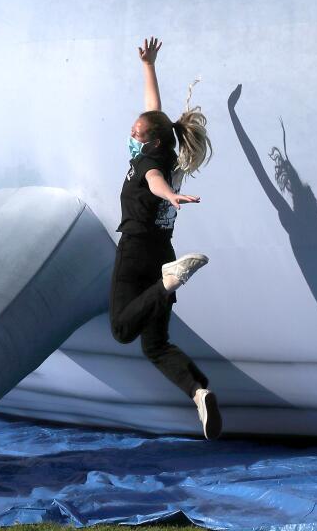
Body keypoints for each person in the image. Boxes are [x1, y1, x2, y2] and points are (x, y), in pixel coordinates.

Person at [109, 35, 221, 440]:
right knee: (155, 345)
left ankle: (168, 282)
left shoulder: (149, 166)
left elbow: (155, 182)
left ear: (151, 142)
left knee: (123, 330)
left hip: (138, 251)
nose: (131, 136)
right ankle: (199, 392)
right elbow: (154, 110)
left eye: (136, 134)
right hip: (163, 249)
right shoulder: (164, 149)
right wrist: (149, 66)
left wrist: (170, 194)